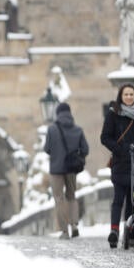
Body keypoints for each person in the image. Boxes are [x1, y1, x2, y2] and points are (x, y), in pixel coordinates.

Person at [100, 83, 134, 249]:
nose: (129, 97)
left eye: (132, 95)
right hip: (120, 163)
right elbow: (105, 137)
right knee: (118, 199)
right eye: (126, 94)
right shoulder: (113, 114)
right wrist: (120, 150)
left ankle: (129, 233)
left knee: (131, 201)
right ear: (120, 96)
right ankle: (114, 231)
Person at [43, 102, 89, 239]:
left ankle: (64, 231)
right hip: (71, 168)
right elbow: (85, 149)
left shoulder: (52, 129)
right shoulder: (78, 130)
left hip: (56, 169)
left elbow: (46, 149)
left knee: (59, 198)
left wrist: (57, 154)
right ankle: (74, 224)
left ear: (57, 114)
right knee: (71, 196)